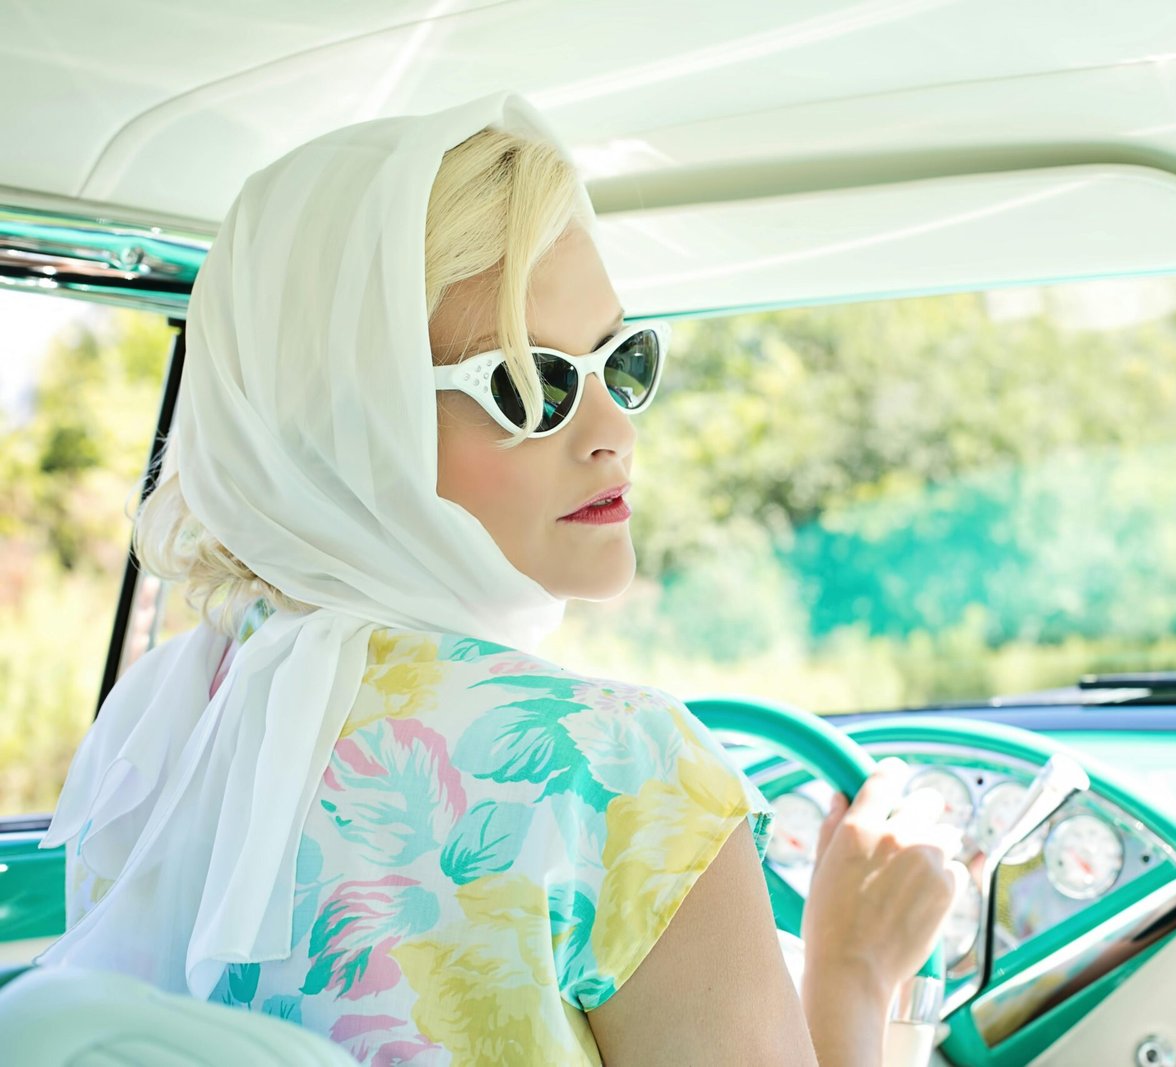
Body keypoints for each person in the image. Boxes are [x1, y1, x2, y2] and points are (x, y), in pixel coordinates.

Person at [37, 94, 961, 1065]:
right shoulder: (618, 765)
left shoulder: (160, 716)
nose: (613, 431)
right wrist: (856, 976)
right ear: (356, 427)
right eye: (529, 384)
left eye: (623, 359)